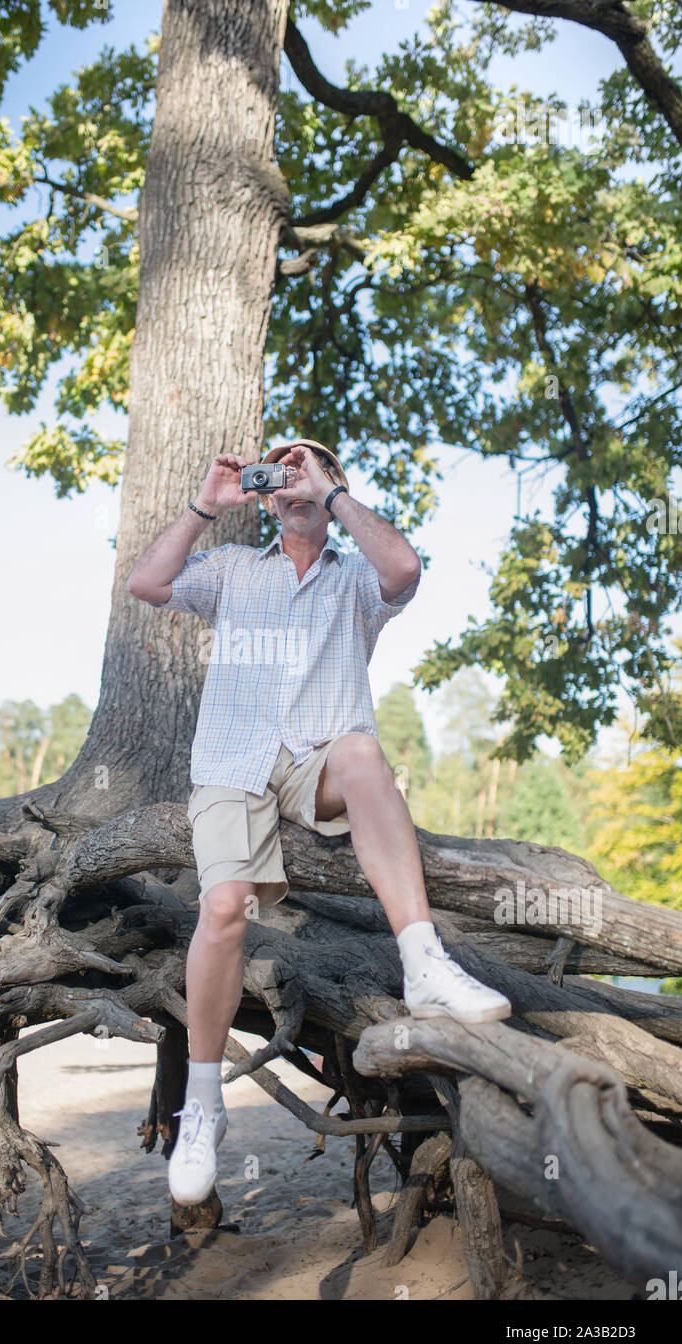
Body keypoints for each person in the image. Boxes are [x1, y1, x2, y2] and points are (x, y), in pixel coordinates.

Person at [127, 439, 511, 1204]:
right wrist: (209, 502)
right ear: (265, 495)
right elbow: (146, 581)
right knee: (225, 907)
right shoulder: (235, 572)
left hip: (319, 761)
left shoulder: (358, 579)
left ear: (334, 486)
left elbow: (406, 570)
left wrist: (330, 494)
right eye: (281, 474)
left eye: (310, 470)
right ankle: (203, 1103)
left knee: (365, 751)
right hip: (234, 764)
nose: (292, 481)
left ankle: (424, 963)